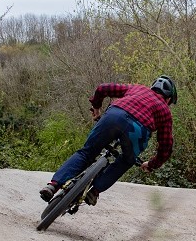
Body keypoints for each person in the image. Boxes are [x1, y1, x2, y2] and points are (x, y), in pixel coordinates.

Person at [39, 75, 177, 206]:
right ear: (169, 99)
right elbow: (166, 145)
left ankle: (53, 185)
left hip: (114, 116)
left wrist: (96, 107)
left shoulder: (137, 88)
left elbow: (102, 88)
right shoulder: (165, 112)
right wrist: (152, 164)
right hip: (137, 131)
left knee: (86, 152)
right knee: (125, 161)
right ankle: (94, 192)